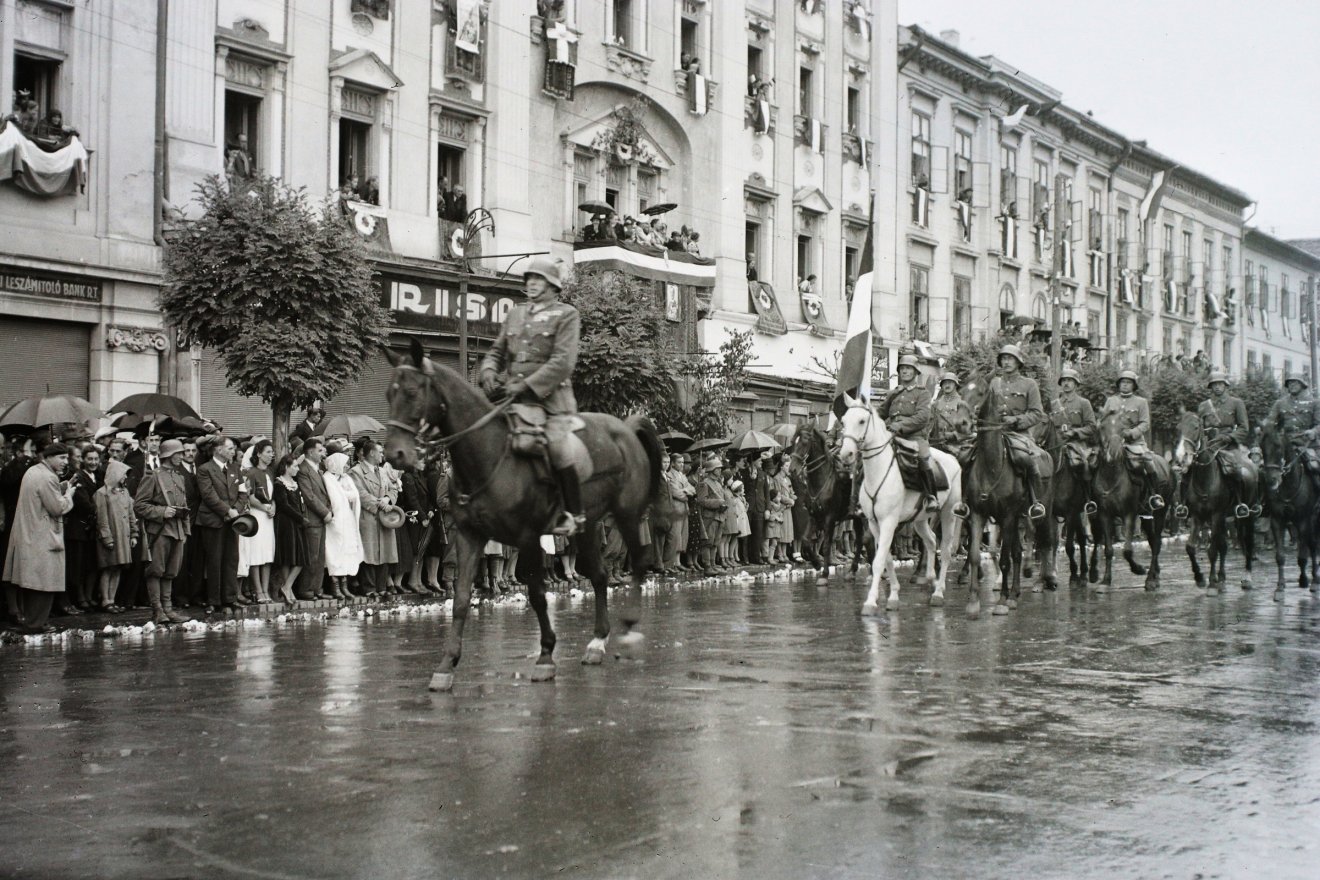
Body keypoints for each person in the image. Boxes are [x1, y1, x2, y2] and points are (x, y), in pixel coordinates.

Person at [480, 255, 586, 536]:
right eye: (529, 278)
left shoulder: (566, 314)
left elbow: (563, 362)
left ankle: (573, 514)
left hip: (551, 401)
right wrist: (488, 371)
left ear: (553, 286)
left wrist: (527, 385)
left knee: (558, 447)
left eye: (539, 279)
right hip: (512, 398)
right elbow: (497, 351)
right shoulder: (516, 313)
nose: (532, 283)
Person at [2, 442, 76, 633]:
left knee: (32, 582)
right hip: (43, 535)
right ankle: (36, 624)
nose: (65, 462)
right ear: (48, 457)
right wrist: (69, 495)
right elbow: (57, 508)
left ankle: (32, 622)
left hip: (29, 533)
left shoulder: (33, 471)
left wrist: (59, 488)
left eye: (67, 458)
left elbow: (42, 497)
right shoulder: (48, 477)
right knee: (45, 582)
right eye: (62, 458)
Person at [985, 344, 1049, 520]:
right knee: (970, 456)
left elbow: (1037, 414)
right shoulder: (994, 383)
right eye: (1003, 359)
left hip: (1019, 434)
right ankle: (967, 501)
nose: (1006, 362)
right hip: (993, 433)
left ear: (1018, 362)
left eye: (1010, 359)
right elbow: (986, 407)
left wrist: (1016, 420)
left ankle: (1035, 501)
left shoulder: (1029, 384)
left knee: (1025, 458)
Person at [133, 439, 192, 624]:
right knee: (156, 570)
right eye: (179, 453)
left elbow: (184, 505)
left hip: (177, 530)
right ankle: (157, 610)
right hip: (159, 530)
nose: (182, 456)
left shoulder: (179, 477)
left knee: (171, 571)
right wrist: (161, 511)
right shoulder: (152, 476)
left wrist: (186, 531)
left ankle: (168, 609)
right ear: (168, 455)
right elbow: (139, 506)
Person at [1099, 370, 1165, 513]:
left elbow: (1145, 423)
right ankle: (1095, 497)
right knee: (1095, 462)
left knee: (1148, 463)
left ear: (1134, 386)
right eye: (1123, 382)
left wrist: (1132, 433)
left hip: (1134, 443)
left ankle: (1154, 495)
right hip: (1112, 442)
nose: (1125, 385)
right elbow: (1103, 421)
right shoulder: (1111, 401)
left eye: (1128, 383)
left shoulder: (1141, 402)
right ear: (1118, 384)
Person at [879, 354, 937, 507]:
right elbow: (881, 413)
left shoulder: (923, 393)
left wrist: (900, 426)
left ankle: (931, 496)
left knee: (923, 457)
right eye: (902, 368)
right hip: (891, 435)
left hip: (914, 437)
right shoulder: (893, 393)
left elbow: (922, 417)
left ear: (916, 372)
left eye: (908, 368)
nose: (904, 371)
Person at [195, 436, 244, 614]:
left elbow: (243, 493)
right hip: (213, 520)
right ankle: (213, 600)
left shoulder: (235, 468)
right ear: (218, 450)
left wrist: (236, 509)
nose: (233, 451)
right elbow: (208, 495)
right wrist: (227, 510)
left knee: (231, 559)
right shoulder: (205, 469)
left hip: (233, 520)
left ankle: (229, 599)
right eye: (230, 448)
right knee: (214, 560)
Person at [1198, 370, 1257, 518]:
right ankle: (1185, 505)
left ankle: (1240, 503)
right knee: (1190, 469)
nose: (1217, 387)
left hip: (1228, 446)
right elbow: (1198, 427)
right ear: (1210, 387)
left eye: (1220, 384)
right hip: (1208, 446)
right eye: (1214, 384)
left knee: (1237, 471)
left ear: (1225, 385)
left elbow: (1244, 428)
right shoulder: (1204, 406)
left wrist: (1230, 437)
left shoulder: (1236, 403)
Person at [350, 440, 397, 597]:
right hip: (368, 516)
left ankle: (381, 587)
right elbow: (360, 493)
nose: (382, 455)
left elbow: (393, 488)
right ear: (371, 453)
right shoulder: (356, 471)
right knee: (369, 552)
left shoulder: (382, 471)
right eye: (380, 452)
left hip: (384, 517)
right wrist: (379, 504)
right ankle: (369, 588)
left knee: (384, 551)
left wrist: (388, 499)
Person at [93, 459, 137, 613]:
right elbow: (102, 519)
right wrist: (107, 538)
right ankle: (105, 600)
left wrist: (134, 533)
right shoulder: (102, 493)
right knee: (108, 568)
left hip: (123, 537)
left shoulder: (125, 492)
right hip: (111, 537)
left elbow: (131, 515)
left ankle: (112, 599)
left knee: (118, 568)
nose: (125, 477)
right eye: (123, 474)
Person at [1264, 373, 1320, 490]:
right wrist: (1264, 425)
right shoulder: (1280, 403)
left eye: (1295, 382)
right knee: (1263, 466)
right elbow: (1270, 420)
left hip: (1307, 443)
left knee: (1314, 466)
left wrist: (1314, 431)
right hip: (1285, 443)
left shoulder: (1314, 403)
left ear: (1302, 385)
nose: (1292, 385)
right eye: (1289, 383)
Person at [1054, 367, 1099, 510]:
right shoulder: (1054, 404)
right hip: (1056, 443)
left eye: (1070, 380)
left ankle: (1087, 498)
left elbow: (1091, 427)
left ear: (1076, 384)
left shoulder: (1083, 403)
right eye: (1064, 381)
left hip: (1077, 443)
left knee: (1081, 464)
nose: (1066, 383)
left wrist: (1074, 433)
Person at [239, 439, 277, 603]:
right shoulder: (251, 473)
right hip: (257, 515)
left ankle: (266, 590)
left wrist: (273, 506)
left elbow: (272, 495)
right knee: (256, 553)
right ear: (259, 454)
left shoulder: (270, 472)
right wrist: (264, 508)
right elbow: (250, 496)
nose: (271, 455)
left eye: (272, 452)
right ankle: (257, 590)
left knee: (267, 553)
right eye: (268, 452)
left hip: (268, 516)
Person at [324, 451, 365, 598]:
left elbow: (355, 496)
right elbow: (334, 498)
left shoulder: (346, 478)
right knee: (334, 552)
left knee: (347, 551)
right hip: (334, 521)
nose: (348, 466)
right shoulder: (327, 478)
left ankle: (344, 585)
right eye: (345, 464)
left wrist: (344, 492)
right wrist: (345, 493)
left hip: (347, 519)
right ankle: (335, 586)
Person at [65, 445, 101, 611]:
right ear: (83, 460)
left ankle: (89, 595)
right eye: (89, 459)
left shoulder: (98, 476)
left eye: (96, 459)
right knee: (79, 564)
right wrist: (102, 510)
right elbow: (84, 503)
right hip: (79, 527)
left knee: (92, 564)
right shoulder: (78, 477)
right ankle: (80, 598)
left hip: (93, 528)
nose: (93, 462)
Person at [296, 438, 332, 600]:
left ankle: (317, 588)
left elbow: (323, 494)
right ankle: (306, 589)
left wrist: (329, 509)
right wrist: (325, 512)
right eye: (319, 450)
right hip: (312, 518)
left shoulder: (318, 469)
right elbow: (308, 495)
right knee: (312, 555)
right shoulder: (303, 470)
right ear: (310, 452)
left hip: (321, 518)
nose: (322, 453)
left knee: (320, 556)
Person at [270, 453, 307, 607]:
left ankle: (287, 587)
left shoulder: (294, 483)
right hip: (285, 523)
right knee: (287, 558)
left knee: (299, 559)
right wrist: (300, 518)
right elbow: (284, 505)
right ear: (286, 467)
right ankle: (288, 589)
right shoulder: (279, 484)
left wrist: (301, 517)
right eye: (295, 466)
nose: (297, 469)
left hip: (295, 523)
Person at [929, 371, 975, 462]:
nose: (947, 385)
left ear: (955, 385)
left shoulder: (962, 404)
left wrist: (954, 435)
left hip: (957, 446)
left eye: (950, 382)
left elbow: (969, 430)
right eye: (944, 383)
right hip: (936, 444)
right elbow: (928, 425)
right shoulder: (935, 404)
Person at [694, 454, 727, 573]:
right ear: (712, 470)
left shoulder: (718, 483)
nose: (720, 470)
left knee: (715, 542)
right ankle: (707, 566)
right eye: (718, 469)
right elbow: (701, 501)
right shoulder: (704, 483)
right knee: (708, 542)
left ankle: (713, 564)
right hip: (709, 516)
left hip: (719, 516)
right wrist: (717, 503)